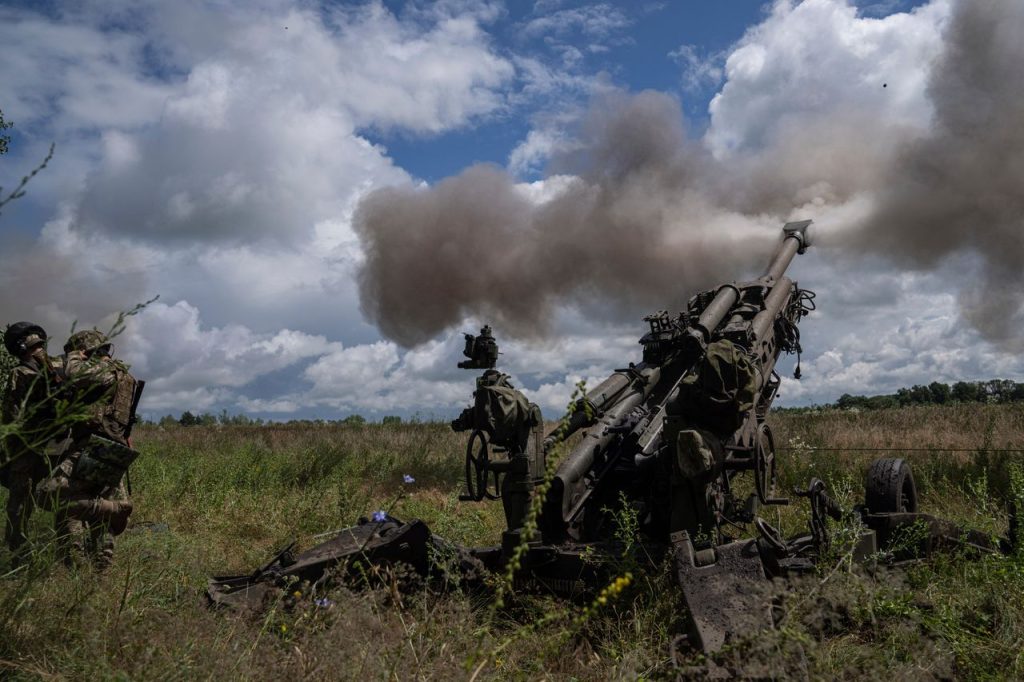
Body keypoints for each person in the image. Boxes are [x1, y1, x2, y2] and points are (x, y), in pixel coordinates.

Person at [35, 329, 139, 568]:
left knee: (48, 495)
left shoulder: (103, 371)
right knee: (97, 500)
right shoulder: (124, 375)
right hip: (115, 448)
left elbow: (73, 373)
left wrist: (74, 355)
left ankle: (117, 510)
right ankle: (101, 561)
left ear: (88, 351)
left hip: (94, 448)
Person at [1, 322, 65, 563]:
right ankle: (64, 548)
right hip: (57, 445)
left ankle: (18, 552)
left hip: (27, 447)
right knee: (60, 496)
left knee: (20, 500)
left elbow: (10, 415)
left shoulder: (21, 373)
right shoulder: (57, 372)